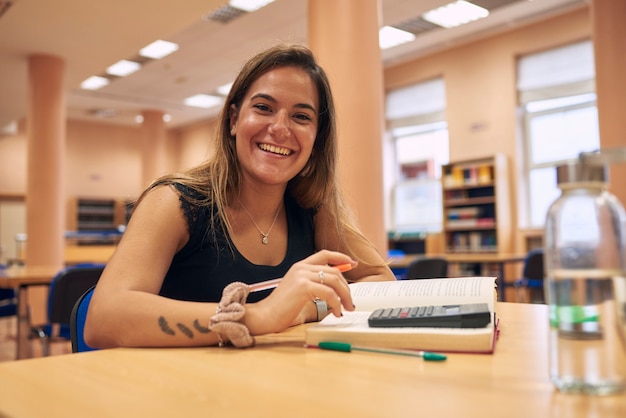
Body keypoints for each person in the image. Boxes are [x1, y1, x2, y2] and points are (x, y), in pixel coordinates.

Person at [85, 43, 395, 349]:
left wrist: (307, 308)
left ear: (317, 138)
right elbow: (103, 318)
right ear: (234, 119)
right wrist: (261, 315)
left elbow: (382, 280)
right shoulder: (174, 201)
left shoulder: (313, 209)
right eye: (263, 108)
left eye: (301, 117)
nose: (280, 128)